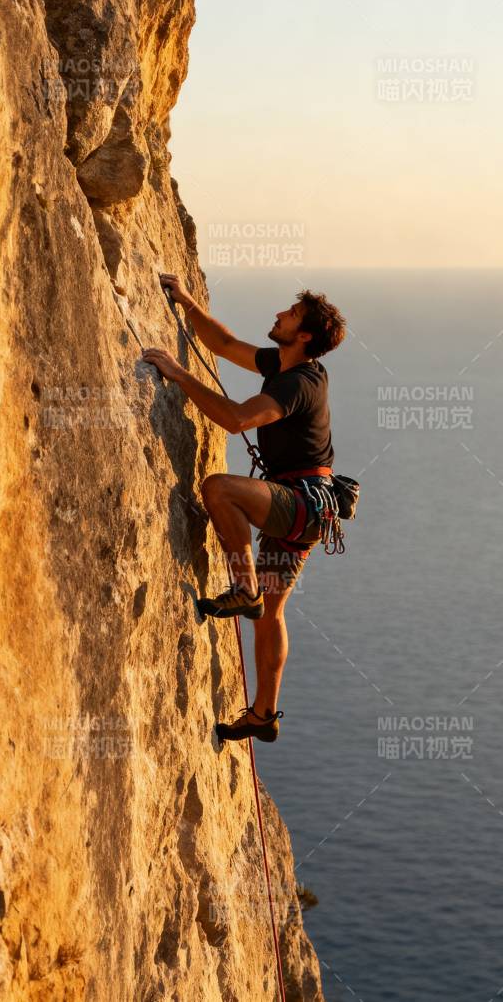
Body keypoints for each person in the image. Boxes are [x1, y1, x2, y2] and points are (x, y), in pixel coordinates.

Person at [140, 273, 345, 743]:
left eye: (290, 315)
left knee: (219, 489)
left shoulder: (297, 384)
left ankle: (244, 584)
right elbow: (227, 344)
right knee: (272, 614)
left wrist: (177, 372)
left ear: (305, 335)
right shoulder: (284, 364)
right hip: (308, 510)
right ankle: (264, 714)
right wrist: (186, 301)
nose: (278, 314)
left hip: (297, 504)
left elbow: (236, 420)